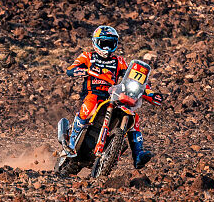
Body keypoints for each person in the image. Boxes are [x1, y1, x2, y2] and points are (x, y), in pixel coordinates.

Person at [63, 25, 162, 169]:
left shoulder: (119, 61)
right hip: (93, 94)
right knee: (89, 105)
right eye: (104, 43)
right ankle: (71, 145)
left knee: (134, 118)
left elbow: (134, 79)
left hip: (113, 95)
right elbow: (71, 69)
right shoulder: (87, 56)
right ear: (96, 43)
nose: (107, 47)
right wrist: (82, 71)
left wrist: (150, 93)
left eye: (110, 43)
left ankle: (138, 155)